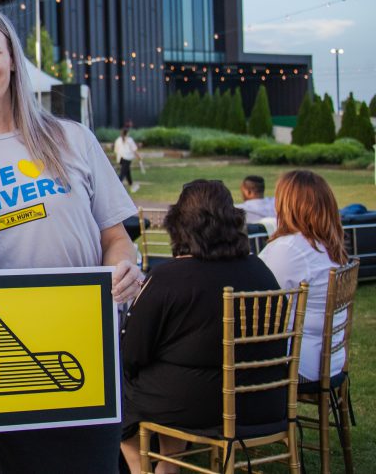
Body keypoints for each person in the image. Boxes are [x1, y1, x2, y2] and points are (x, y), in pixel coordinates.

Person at [0, 1, 142, 473]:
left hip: (89, 354)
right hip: (9, 366)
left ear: (12, 59)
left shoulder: (72, 139)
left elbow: (116, 235)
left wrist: (124, 265)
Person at [118, 180, 285, 473]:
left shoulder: (168, 277)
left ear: (179, 225)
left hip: (195, 405)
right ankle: (169, 466)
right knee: (170, 379)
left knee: (118, 395)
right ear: (233, 220)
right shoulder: (260, 271)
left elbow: (132, 352)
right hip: (262, 401)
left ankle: (141, 469)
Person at [259, 170, 349, 383]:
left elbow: (253, 291)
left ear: (288, 205)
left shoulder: (290, 248)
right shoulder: (328, 246)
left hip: (300, 362)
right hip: (330, 358)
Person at [113, 127, 141, 193]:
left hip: (120, 158)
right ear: (127, 133)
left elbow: (116, 150)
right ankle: (116, 187)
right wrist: (139, 157)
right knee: (123, 173)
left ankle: (131, 186)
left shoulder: (118, 140)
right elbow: (134, 150)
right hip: (127, 158)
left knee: (127, 172)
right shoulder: (129, 140)